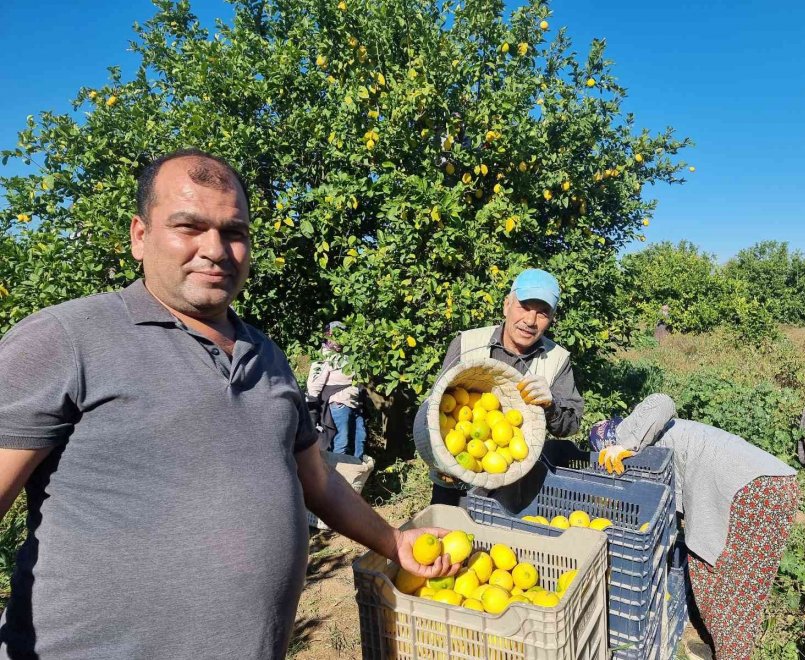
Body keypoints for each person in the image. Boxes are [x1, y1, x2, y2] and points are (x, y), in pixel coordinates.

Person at [0, 148, 456, 659]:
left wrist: (393, 541)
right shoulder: (65, 339)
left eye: (233, 232)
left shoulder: (268, 356)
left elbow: (320, 482)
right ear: (139, 236)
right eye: (189, 227)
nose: (215, 249)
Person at [595, 394, 799, 660]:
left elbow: (663, 401)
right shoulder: (652, 436)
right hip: (774, 484)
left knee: (726, 582)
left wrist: (623, 444)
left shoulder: (635, 434)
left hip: (752, 491)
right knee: (744, 582)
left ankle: (732, 654)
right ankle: (727, 648)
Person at [428, 268, 584, 506]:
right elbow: (435, 407)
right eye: (524, 307)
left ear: (551, 319)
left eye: (542, 313)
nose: (530, 321)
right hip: (455, 479)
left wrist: (551, 404)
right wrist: (440, 458)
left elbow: (571, 425)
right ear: (506, 305)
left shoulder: (557, 359)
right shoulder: (467, 343)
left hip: (516, 483)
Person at [306, 322, 367, 459]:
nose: (339, 340)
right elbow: (314, 386)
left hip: (355, 403)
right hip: (338, 404)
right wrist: (312, 412)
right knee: (342, 441)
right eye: (335, 336)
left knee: (360, 438)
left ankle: (356, 474)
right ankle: (338, 476)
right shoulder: (323, 357)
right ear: (327, 336)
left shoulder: (349, 354)